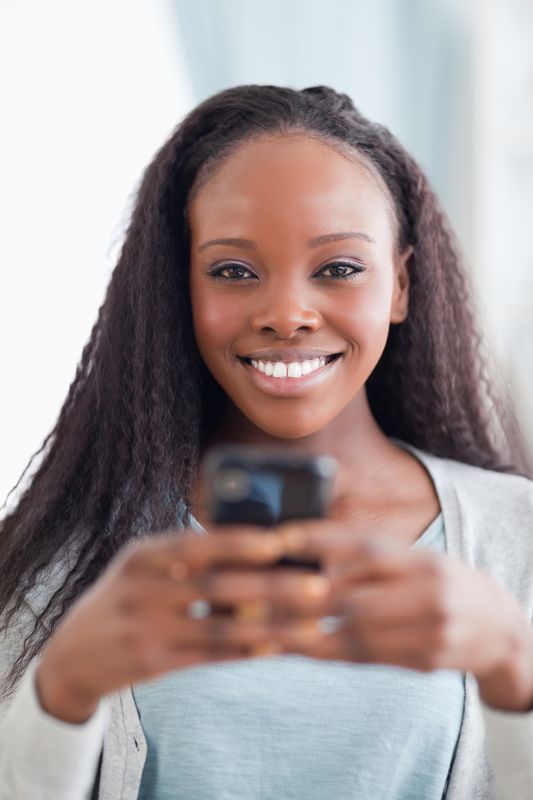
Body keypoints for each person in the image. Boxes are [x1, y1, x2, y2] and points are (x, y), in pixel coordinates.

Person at [1, 84, 533, 800]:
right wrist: (60, 690)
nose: (286, 313)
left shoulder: (518, 541)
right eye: (232, 271)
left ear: (400, 284)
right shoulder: (63, 551)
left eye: (339, 268)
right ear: (178, 288)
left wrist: (511, 674)